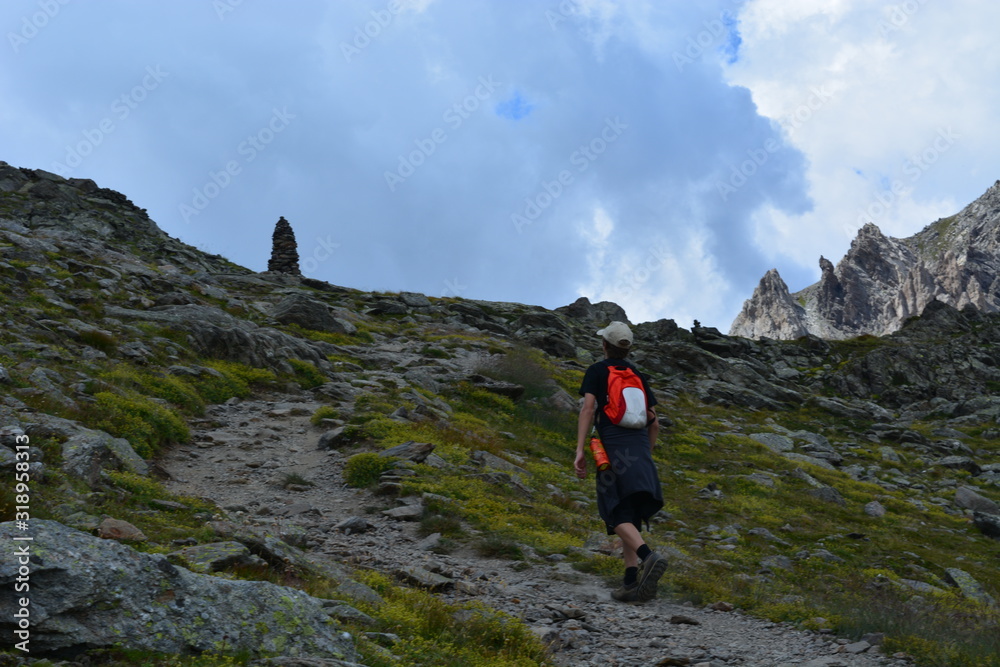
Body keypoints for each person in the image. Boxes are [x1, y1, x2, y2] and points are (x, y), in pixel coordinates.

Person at [575, 321, 667, 602]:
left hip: (613, 446)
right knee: (629, 511)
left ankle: (648, 557)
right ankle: (630, 583)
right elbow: (655, 422)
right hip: (639, 447)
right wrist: (646, 453)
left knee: (614, 512)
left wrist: (580, 450)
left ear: (604, 345)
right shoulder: (637, 374)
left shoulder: (597, 371)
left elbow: (588, 409)